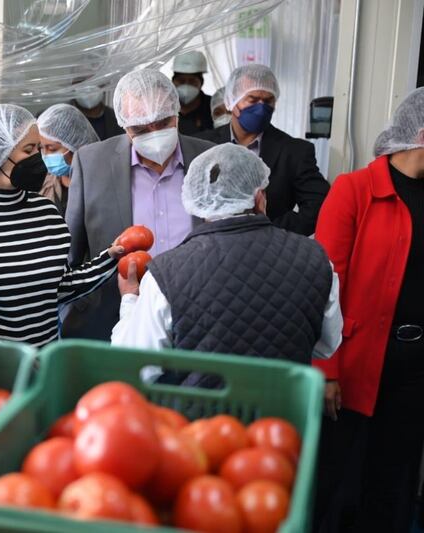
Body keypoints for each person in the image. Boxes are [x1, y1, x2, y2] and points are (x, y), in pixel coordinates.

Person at [112, 143, 342, 372]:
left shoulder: (166, 274)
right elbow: (326, 346)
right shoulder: (317, 260)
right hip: (286, 407)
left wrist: (130, 299)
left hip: (203, 408)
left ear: (196, 203)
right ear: (260, 197)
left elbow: (135, 364)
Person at [0, 104, 126, 348]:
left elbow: (58, 287)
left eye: (39, 149)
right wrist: (5, 353)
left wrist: (109, 258)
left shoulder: (46, 213)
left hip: (42, 366)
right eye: (29, 150)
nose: (38, 160)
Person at [313, 87, 424, 533]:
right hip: (356, 362)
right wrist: (328, 371)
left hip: (415, 369)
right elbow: (325, 283)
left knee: (393, 486)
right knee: (336, 483)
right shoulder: (355, 190)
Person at [62, 68, 215, 341]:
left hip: (199, 317)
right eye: (141, 129)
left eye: (163, 122)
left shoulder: (209, 159)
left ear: (177, 112)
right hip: (111, 319)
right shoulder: (91, 163)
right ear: (123, 124)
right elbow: (71, 255)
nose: (154, 133)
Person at [198, 64, 330, 236]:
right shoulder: (201, 144)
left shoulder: (294, 151)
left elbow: (320, 205)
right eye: (252, 100)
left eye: (268, 101)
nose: (261, 108)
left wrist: (273, 232)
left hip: (270, 253)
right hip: (210, 250)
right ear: (231, 101)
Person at [37, 103, 99, 216]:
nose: (45, 155)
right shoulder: (46, 187)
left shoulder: (99, 187)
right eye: (42, 148)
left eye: (52, 149)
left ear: (76, 144)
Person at [172, 51, 214, 135]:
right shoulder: (165, 107)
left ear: (201, 82)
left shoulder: (213, 107)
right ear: (173, 81)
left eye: (192, 81)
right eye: (181, 81)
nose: (186, 86)